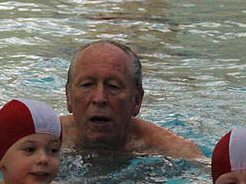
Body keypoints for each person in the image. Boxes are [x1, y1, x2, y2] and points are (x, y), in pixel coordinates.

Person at [61, 40, 204, 158]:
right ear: (68, 97)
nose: (99, 98)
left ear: (136, 101)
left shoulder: (174, 153)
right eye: (87, 85)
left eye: (113, 86)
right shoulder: (46, 139)